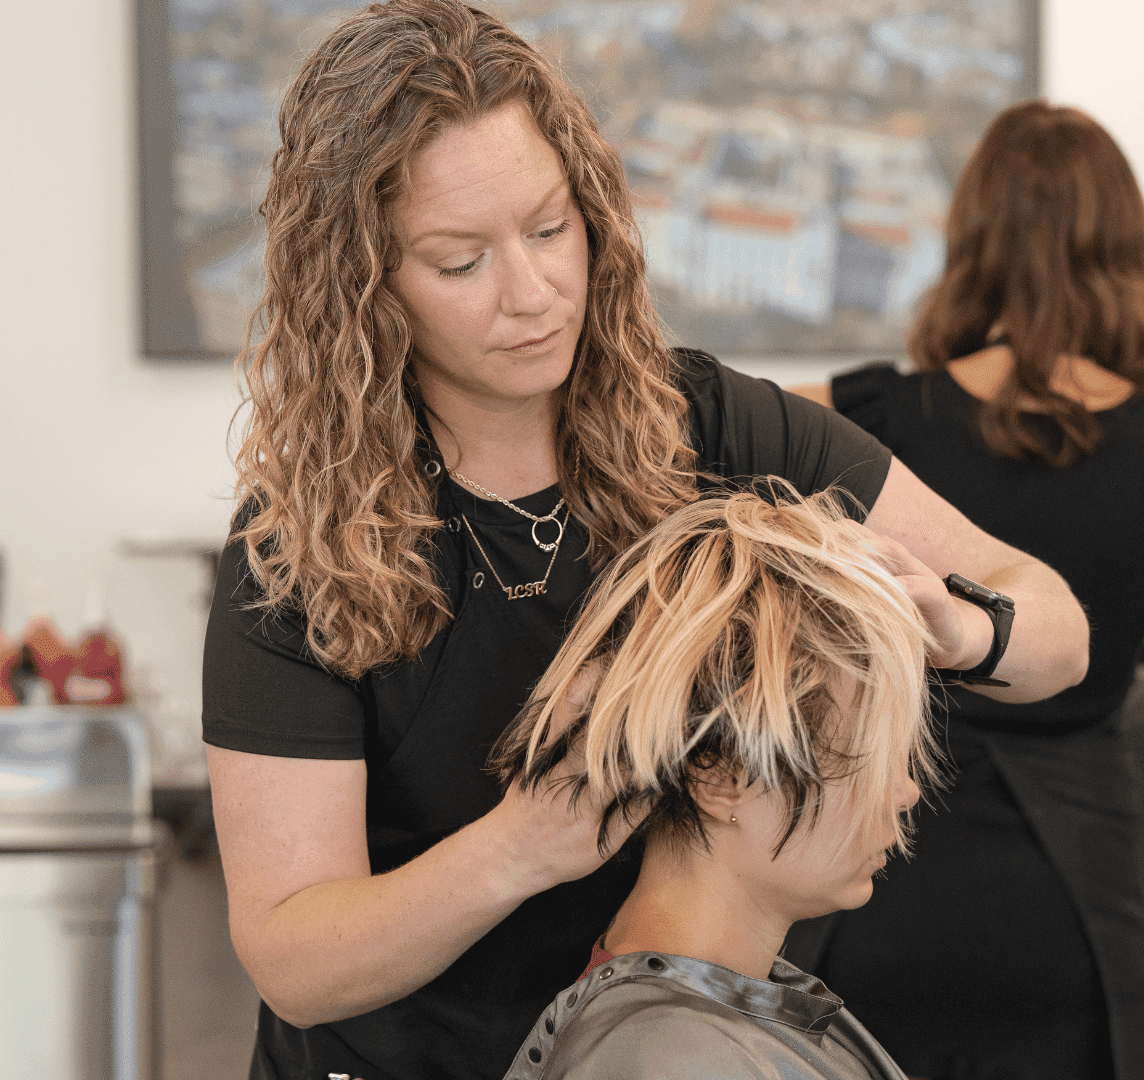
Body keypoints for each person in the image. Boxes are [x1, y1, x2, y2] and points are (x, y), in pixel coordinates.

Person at [199, 6, 1089, 1078]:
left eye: (548, 228)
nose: (532, 295)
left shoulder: (708, 425)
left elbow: (1053, 624)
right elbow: (294, 957)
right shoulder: (304, 541)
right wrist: (521, 845)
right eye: (459, 262)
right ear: (365, 288)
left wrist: (962, 626)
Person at [788, 100, 1144, 1080]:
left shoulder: (867, 415)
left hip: (880, 864)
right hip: (1071, 897)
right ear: (1126, 247)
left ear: (970, 241)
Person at [492, 488, 936, 1080]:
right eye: (873, 755)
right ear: (724, 776)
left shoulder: (704, 1024)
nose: (905, 791)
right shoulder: (669, 1060)